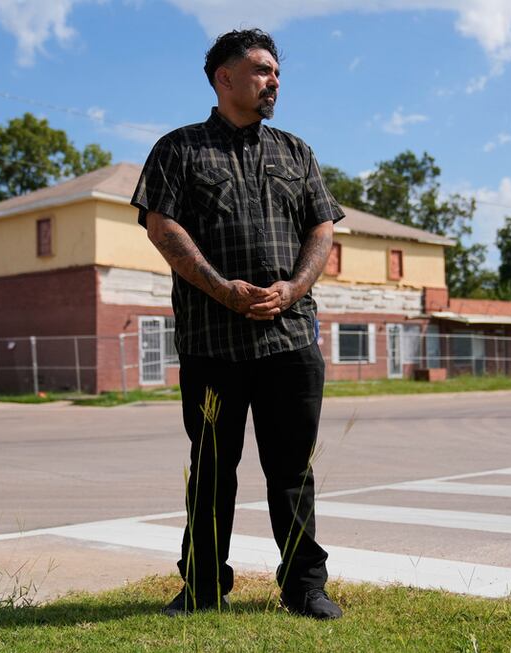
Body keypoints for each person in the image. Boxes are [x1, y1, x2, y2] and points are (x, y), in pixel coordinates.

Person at [131, 28, 344, 620]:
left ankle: (304, 585)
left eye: (276, 71)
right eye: (262, 70)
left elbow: (321, 227)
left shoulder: (295, 152)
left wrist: (295, 288)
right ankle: (201, 586)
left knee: (291, 468)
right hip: (211, 340)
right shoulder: (179, 149)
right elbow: (162, 227)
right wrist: (223, 290)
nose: (274, 79)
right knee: (212, 469)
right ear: (225, 77)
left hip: (290, 337)